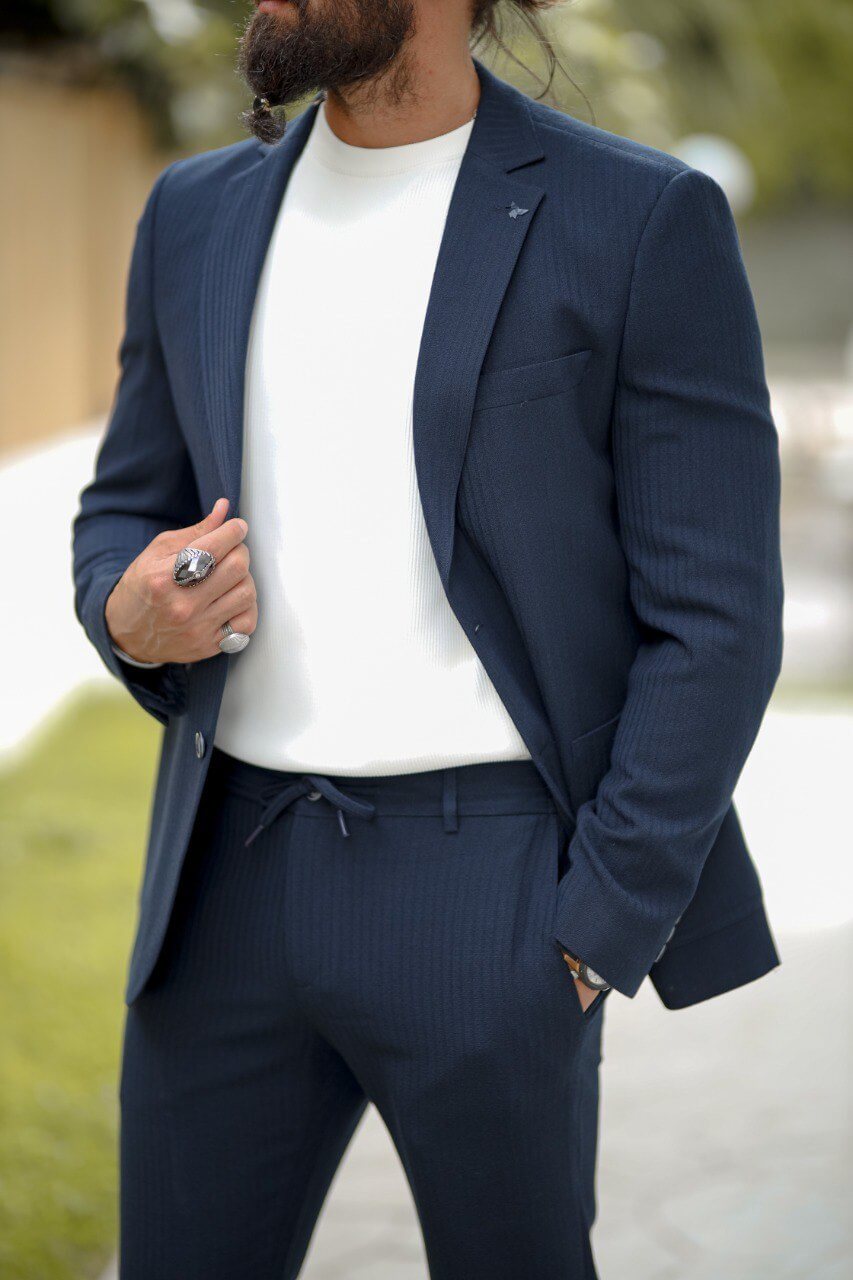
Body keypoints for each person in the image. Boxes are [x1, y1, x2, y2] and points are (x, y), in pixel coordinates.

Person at [72, 0, 784, 1275]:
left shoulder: (633, 217)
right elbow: (127, 496)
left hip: (490, 889)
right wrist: (127, 614)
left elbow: (717, 611)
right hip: (222, 873)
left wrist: (593, 924)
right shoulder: (195, 213)